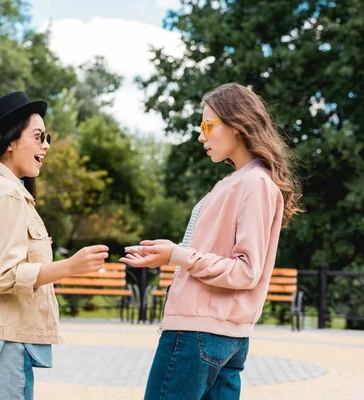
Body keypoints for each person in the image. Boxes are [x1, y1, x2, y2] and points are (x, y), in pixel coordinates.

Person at [121, 83, 302, 400]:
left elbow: (246, 270)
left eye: (208, 125)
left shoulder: (254, 183)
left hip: (199, 332)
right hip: (220, 334)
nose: (201, 136)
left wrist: (179, 256)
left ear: (237, 125)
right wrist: (169, 255)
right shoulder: (241, 181)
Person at [0, 91, 109, 400]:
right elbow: (3, 276)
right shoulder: (5, 195)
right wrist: (70, 267)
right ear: (9, 141)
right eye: (38, 136)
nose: (46, 145)